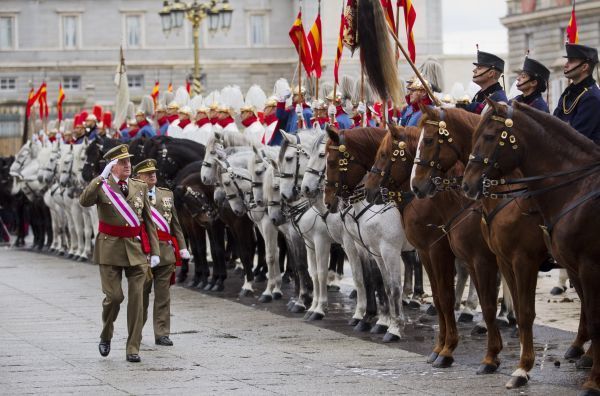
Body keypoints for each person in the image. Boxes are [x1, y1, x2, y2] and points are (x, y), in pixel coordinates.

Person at [79, 144, 160, 363]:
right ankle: (106, 334)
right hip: (110, 249)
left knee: (137, 299)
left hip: (135, 250)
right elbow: (84, 201)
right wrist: (100, 178)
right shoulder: (102, 186)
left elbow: (149, 222)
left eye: (128, 161)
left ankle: (132, 347)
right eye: (122, 162)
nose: (127, 165)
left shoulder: (139, 186)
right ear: (112, 166)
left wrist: (154, 251)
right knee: (114, 298)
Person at [133, 159, 189, 347]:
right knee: (141, 296)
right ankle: (136, 333)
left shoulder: (166, 195)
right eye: (147, 173)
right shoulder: (132, 196)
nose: (152, 175)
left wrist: (182, 247)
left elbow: (176, 225)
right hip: (144, 253)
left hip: (165, 253)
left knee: (163, 296)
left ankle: (162, 333)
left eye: (154, 172)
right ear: (138, 177)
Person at [553, 43, 600, 143]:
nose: (565, 65)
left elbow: (575, 138)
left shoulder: (592, 97)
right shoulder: (568, 93)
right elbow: (553, 124)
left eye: (571, 61)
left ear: (584, 67)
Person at [458, 50, 508, 114]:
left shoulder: (499, 97)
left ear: (491, 73)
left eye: (479, 68)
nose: (474, 70)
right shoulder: (479, 94)